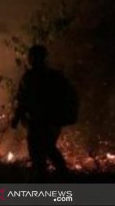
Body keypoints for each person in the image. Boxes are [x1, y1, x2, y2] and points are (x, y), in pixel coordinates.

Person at [11, 45, 77, 179]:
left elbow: (22, 100)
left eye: (33, 57)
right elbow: (23, 99)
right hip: (47, 122)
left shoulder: (31, 77)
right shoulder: (53, 76)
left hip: (41, 122)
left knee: (41, 153)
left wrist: (16, 118)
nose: (31, 59)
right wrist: (17, 117)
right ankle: (59, 178)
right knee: (47, 150)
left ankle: (52, 180)